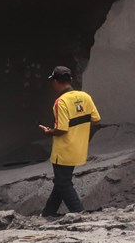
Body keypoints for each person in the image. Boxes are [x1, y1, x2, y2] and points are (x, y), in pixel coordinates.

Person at [39, 66, 100, 218]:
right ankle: (48, 213)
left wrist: (49, 132)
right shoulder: (85, 97)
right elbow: (96, 119)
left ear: (56, 82)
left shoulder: (61, 102)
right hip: (79, 147)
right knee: (61, 180)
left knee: (63, 183)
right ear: (71, 80)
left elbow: (61, 129)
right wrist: (80, 130)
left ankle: (79, 212)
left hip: (64, 150)